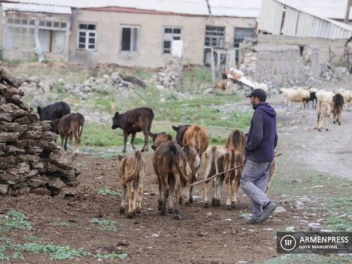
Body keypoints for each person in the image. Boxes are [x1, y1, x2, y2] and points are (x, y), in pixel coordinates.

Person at [240, 89, 278, 224]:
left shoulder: (259, 113)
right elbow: (275, 136)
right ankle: (257, 215)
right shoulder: (271, 113)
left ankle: (267, 204)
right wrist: (271, 149)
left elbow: (257, 136)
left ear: (256, 99)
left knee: (245, 180)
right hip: (268, 156)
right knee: (257, 186)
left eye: (251, 98)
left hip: (257, 156)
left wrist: (248, 147)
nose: (250, 100)